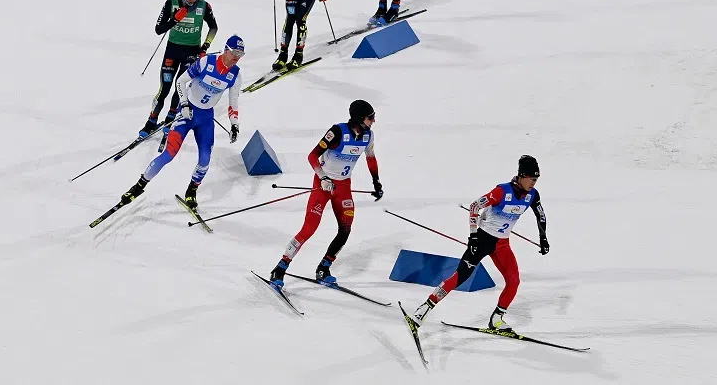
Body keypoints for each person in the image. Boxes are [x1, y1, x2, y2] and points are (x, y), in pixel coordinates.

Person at [409, 155, 549, 334]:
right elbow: (475, 206)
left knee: (513, 281)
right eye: (531, 179)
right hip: (483, 240)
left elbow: (541, 215)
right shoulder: (502, 192)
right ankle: (423, 310)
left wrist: (543, 238)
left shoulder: (532, 195)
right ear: (521, 175)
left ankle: (497, 319)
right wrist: (473, 236)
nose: (534, 183)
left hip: (502, 245)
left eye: (536, 180)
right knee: (460, 277)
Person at [119, 35, 244, 210]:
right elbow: (181, 81)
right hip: (187, 114)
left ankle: (191, 191)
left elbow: (234, 102)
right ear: (226, 50)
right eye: (235, 53)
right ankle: (138, 186)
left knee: (205, 160)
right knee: (169, 154)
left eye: (241, 54)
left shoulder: (235, 75)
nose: (237, 58)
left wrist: (234, 124)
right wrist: (184, 103)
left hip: (205, 118)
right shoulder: (206, 62)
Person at [269, 100, 384, 289]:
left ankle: (324, 268)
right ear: (360, 118)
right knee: (309, 228)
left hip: (343, 187)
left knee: (345, 229)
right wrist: (323, 178)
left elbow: (371, 158)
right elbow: (312, 156)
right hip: (323, 186)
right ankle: (280, 269)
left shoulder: (368, 136)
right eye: (371, 117)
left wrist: (376, 181)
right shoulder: (337, 132)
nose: (374, 121)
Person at [139, 0, 218, 139]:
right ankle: (151, 120)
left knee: (179, 85)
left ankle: (171, 115)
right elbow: (158, 29)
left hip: (191, 51)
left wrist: (205, 47)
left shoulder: (203, 6)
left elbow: (214, 27)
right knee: (164, 89)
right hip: (172, 51)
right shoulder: (172, 3)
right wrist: (174, 20)